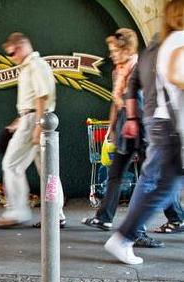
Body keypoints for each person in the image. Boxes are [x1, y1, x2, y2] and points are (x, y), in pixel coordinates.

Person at [105, 0, 184, 265]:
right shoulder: (175, 44)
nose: (112, 53)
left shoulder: (154, 49)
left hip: (155, 121)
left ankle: (126, 235)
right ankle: (126, 235)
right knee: (161, 183)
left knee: (154, 180)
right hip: (169, 125)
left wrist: (133, 118)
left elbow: (132, 88)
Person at [81, 28, 163, 248]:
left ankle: (142, 228)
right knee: (116, 173)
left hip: (140, 126)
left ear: (127, 48)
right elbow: (116, 102)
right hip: (127, 124)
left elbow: (142, 100)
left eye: (115, 50)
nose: (111, 54)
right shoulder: (119, 71)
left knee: (150, 179)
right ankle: (106, 218)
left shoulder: (140, 67)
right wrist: (112, 128)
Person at [0, 32, 65, 227]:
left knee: (11, 164)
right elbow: (33, 100)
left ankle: (17, 212)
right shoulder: (30, 67)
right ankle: (56, 215)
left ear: (21, 47)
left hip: (35, 120)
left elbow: (42, 97)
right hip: (34, 119)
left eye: (12, 53)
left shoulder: (35, 65)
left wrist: (37, 128)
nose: (11, 57)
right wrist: (18, 122)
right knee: (48, 171)